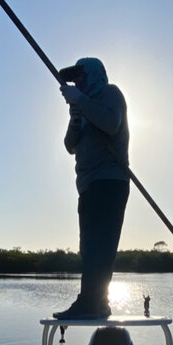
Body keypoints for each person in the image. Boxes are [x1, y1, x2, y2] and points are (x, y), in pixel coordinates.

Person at [53, 57, 130, 320]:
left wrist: (82, 102)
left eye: (80, 77)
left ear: (94, 75)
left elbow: (112, 123)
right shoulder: (83, 106)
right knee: (88, 248)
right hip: (87, 185)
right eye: (74, 80)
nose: (77, 82)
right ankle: (97, 303)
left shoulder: (110, 93)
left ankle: (90, 303)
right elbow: (69, 145)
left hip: (109, 181)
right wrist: (75, 119)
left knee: (100, 247)